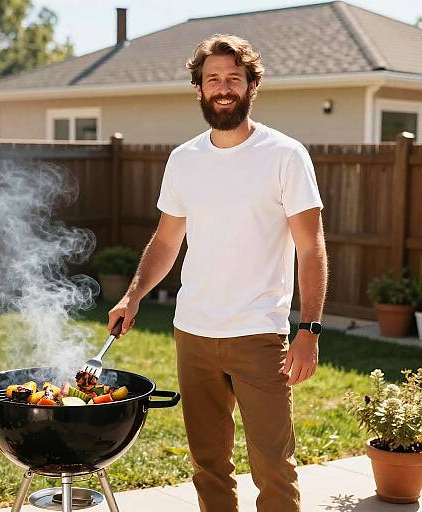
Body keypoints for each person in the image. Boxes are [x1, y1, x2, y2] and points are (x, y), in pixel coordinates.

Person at [107, 33, 328, 512]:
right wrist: (134, 295)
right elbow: (167, 240)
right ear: (199, 88)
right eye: (213, 79)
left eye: (233, 78)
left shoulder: (285, 155)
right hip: (193, 333)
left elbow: (311, 248)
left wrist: (309, 330)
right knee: (208, 464)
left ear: (251, 84)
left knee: (273, 468)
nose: (223, 87)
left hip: (259, 334)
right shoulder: (184, 159)